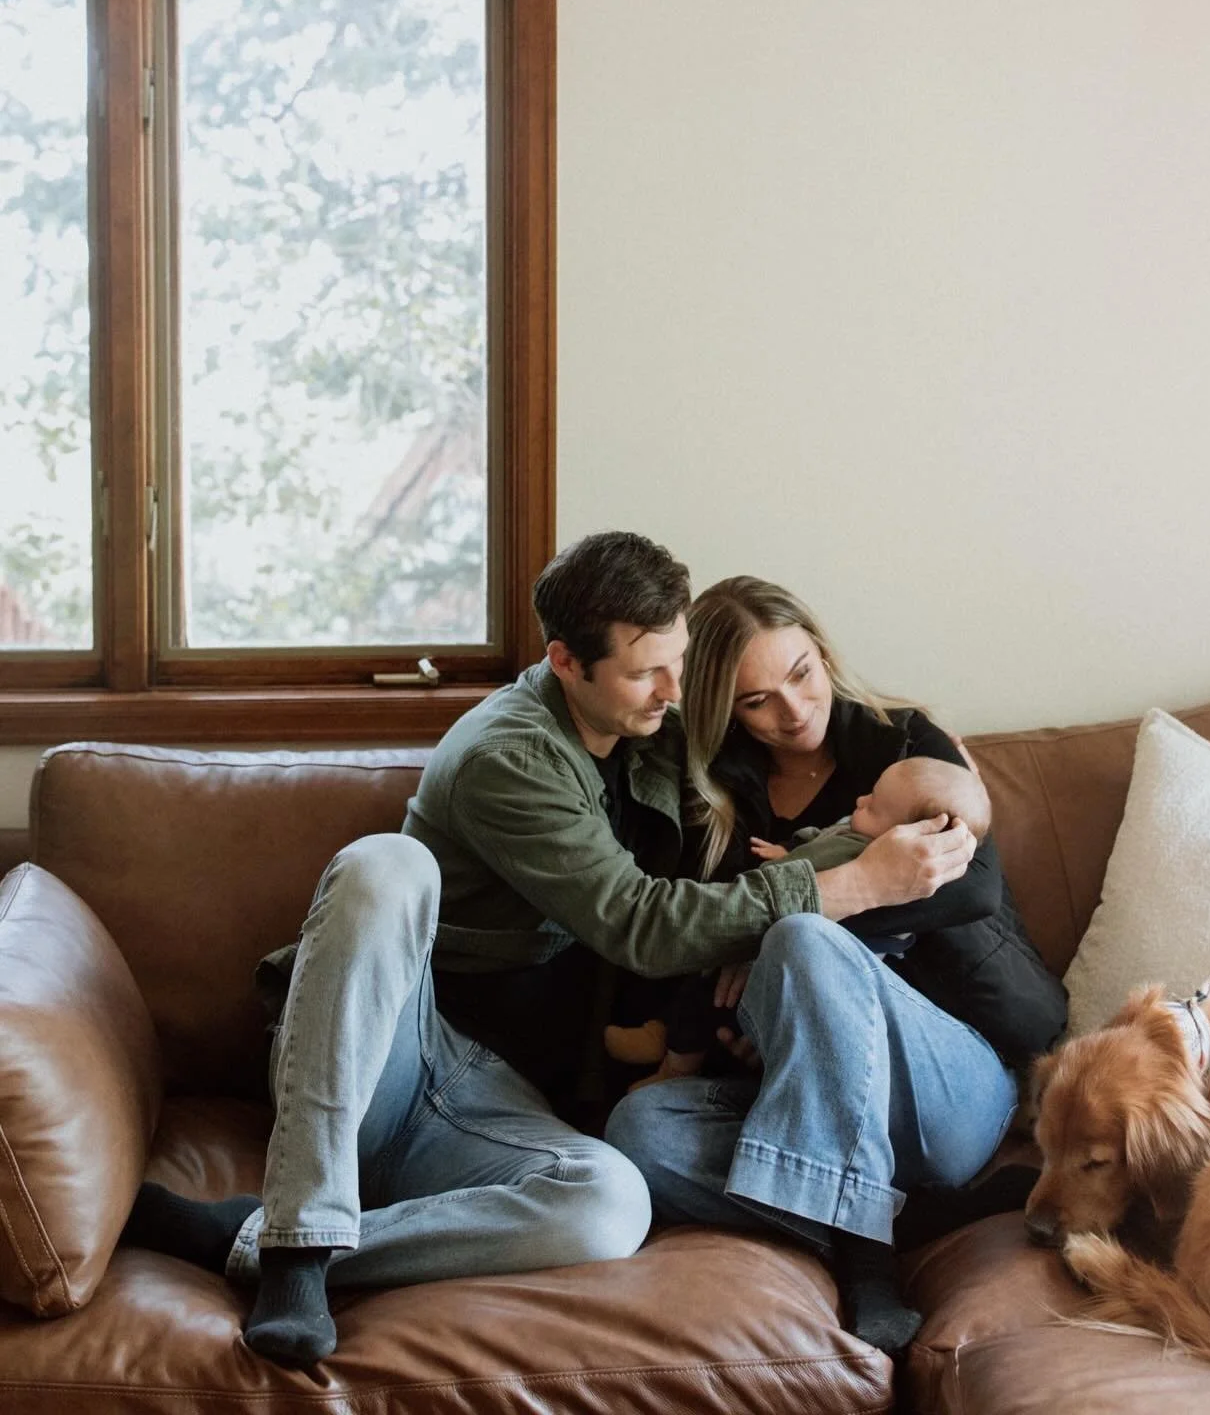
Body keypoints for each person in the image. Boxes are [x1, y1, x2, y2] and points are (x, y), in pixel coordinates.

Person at [124, 535, 975, 1367]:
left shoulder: (654, 731)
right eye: (647, 672)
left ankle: (241, 1239)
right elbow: (638, 922)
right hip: (391, 1062)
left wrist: (904, 822)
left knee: (611, 1203)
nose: (676, 691)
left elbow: (765, 852)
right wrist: (856, 882)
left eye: (678, 661)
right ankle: (297, 1243)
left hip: (492, 1107)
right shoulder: (508, 757)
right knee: (388, 863)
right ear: (567, 662)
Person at [605, 576, 1066, 1356]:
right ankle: (896, 1212)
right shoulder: (713, 797)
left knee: (805, 938)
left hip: (945, 1084)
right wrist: (782, 1010)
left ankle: (865, 1257)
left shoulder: (905, 745)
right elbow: (694, 957)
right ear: (725, 711)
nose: (793, 710)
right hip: (796, 1089)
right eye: (757, 701)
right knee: (637, 1132)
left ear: (822, 652)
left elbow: (971, 890)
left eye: (801, 674)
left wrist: (805, 926)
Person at [604, 754, 995, 1083]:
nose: (860, 800)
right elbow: (822, 836)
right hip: (780, 974)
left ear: (912, 836)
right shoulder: (863, 831)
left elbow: (807, 877)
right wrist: (788, 847)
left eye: (873, 805)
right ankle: (665, 1032)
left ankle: (675, 1063)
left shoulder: (862, 853)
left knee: (711, 993)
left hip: (813, 987)